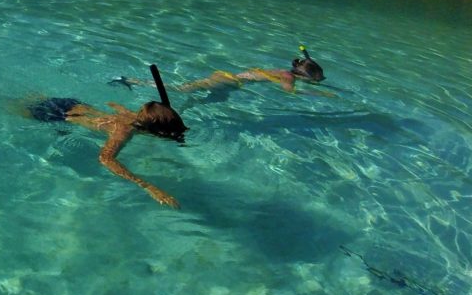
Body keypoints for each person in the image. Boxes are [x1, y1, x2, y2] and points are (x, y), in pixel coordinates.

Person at [27, 66, 187, 209]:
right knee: (12, 105)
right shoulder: (123, 132)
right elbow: (105, 159)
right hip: (57, 115)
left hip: (72, 104)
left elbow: (114, 105)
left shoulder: (132, 115)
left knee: (32, 98)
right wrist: (148, 186)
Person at [177, 46, 325, 94]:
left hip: (231, 80)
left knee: (200, 96)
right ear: (305, 76)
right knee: (183, 89)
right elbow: (289, 91)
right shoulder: (289, 77)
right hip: (231, 81)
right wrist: (317, 94)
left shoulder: (283, 71)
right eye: (313, 81)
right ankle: (157, 85)